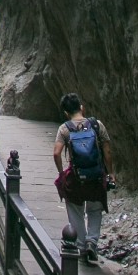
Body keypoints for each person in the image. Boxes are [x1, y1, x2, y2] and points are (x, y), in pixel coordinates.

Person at [53, 92, 114, 263]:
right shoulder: (97, 125)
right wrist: (110, 174)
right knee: (95, 209)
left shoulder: (64, 128)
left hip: (77, 177)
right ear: (81, 106)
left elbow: (56, 153)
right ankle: (92, 242)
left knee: (74, 208)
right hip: (96, 175)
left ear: (66, 112)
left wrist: (60, 174)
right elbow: (107, 152)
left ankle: (80, 244)